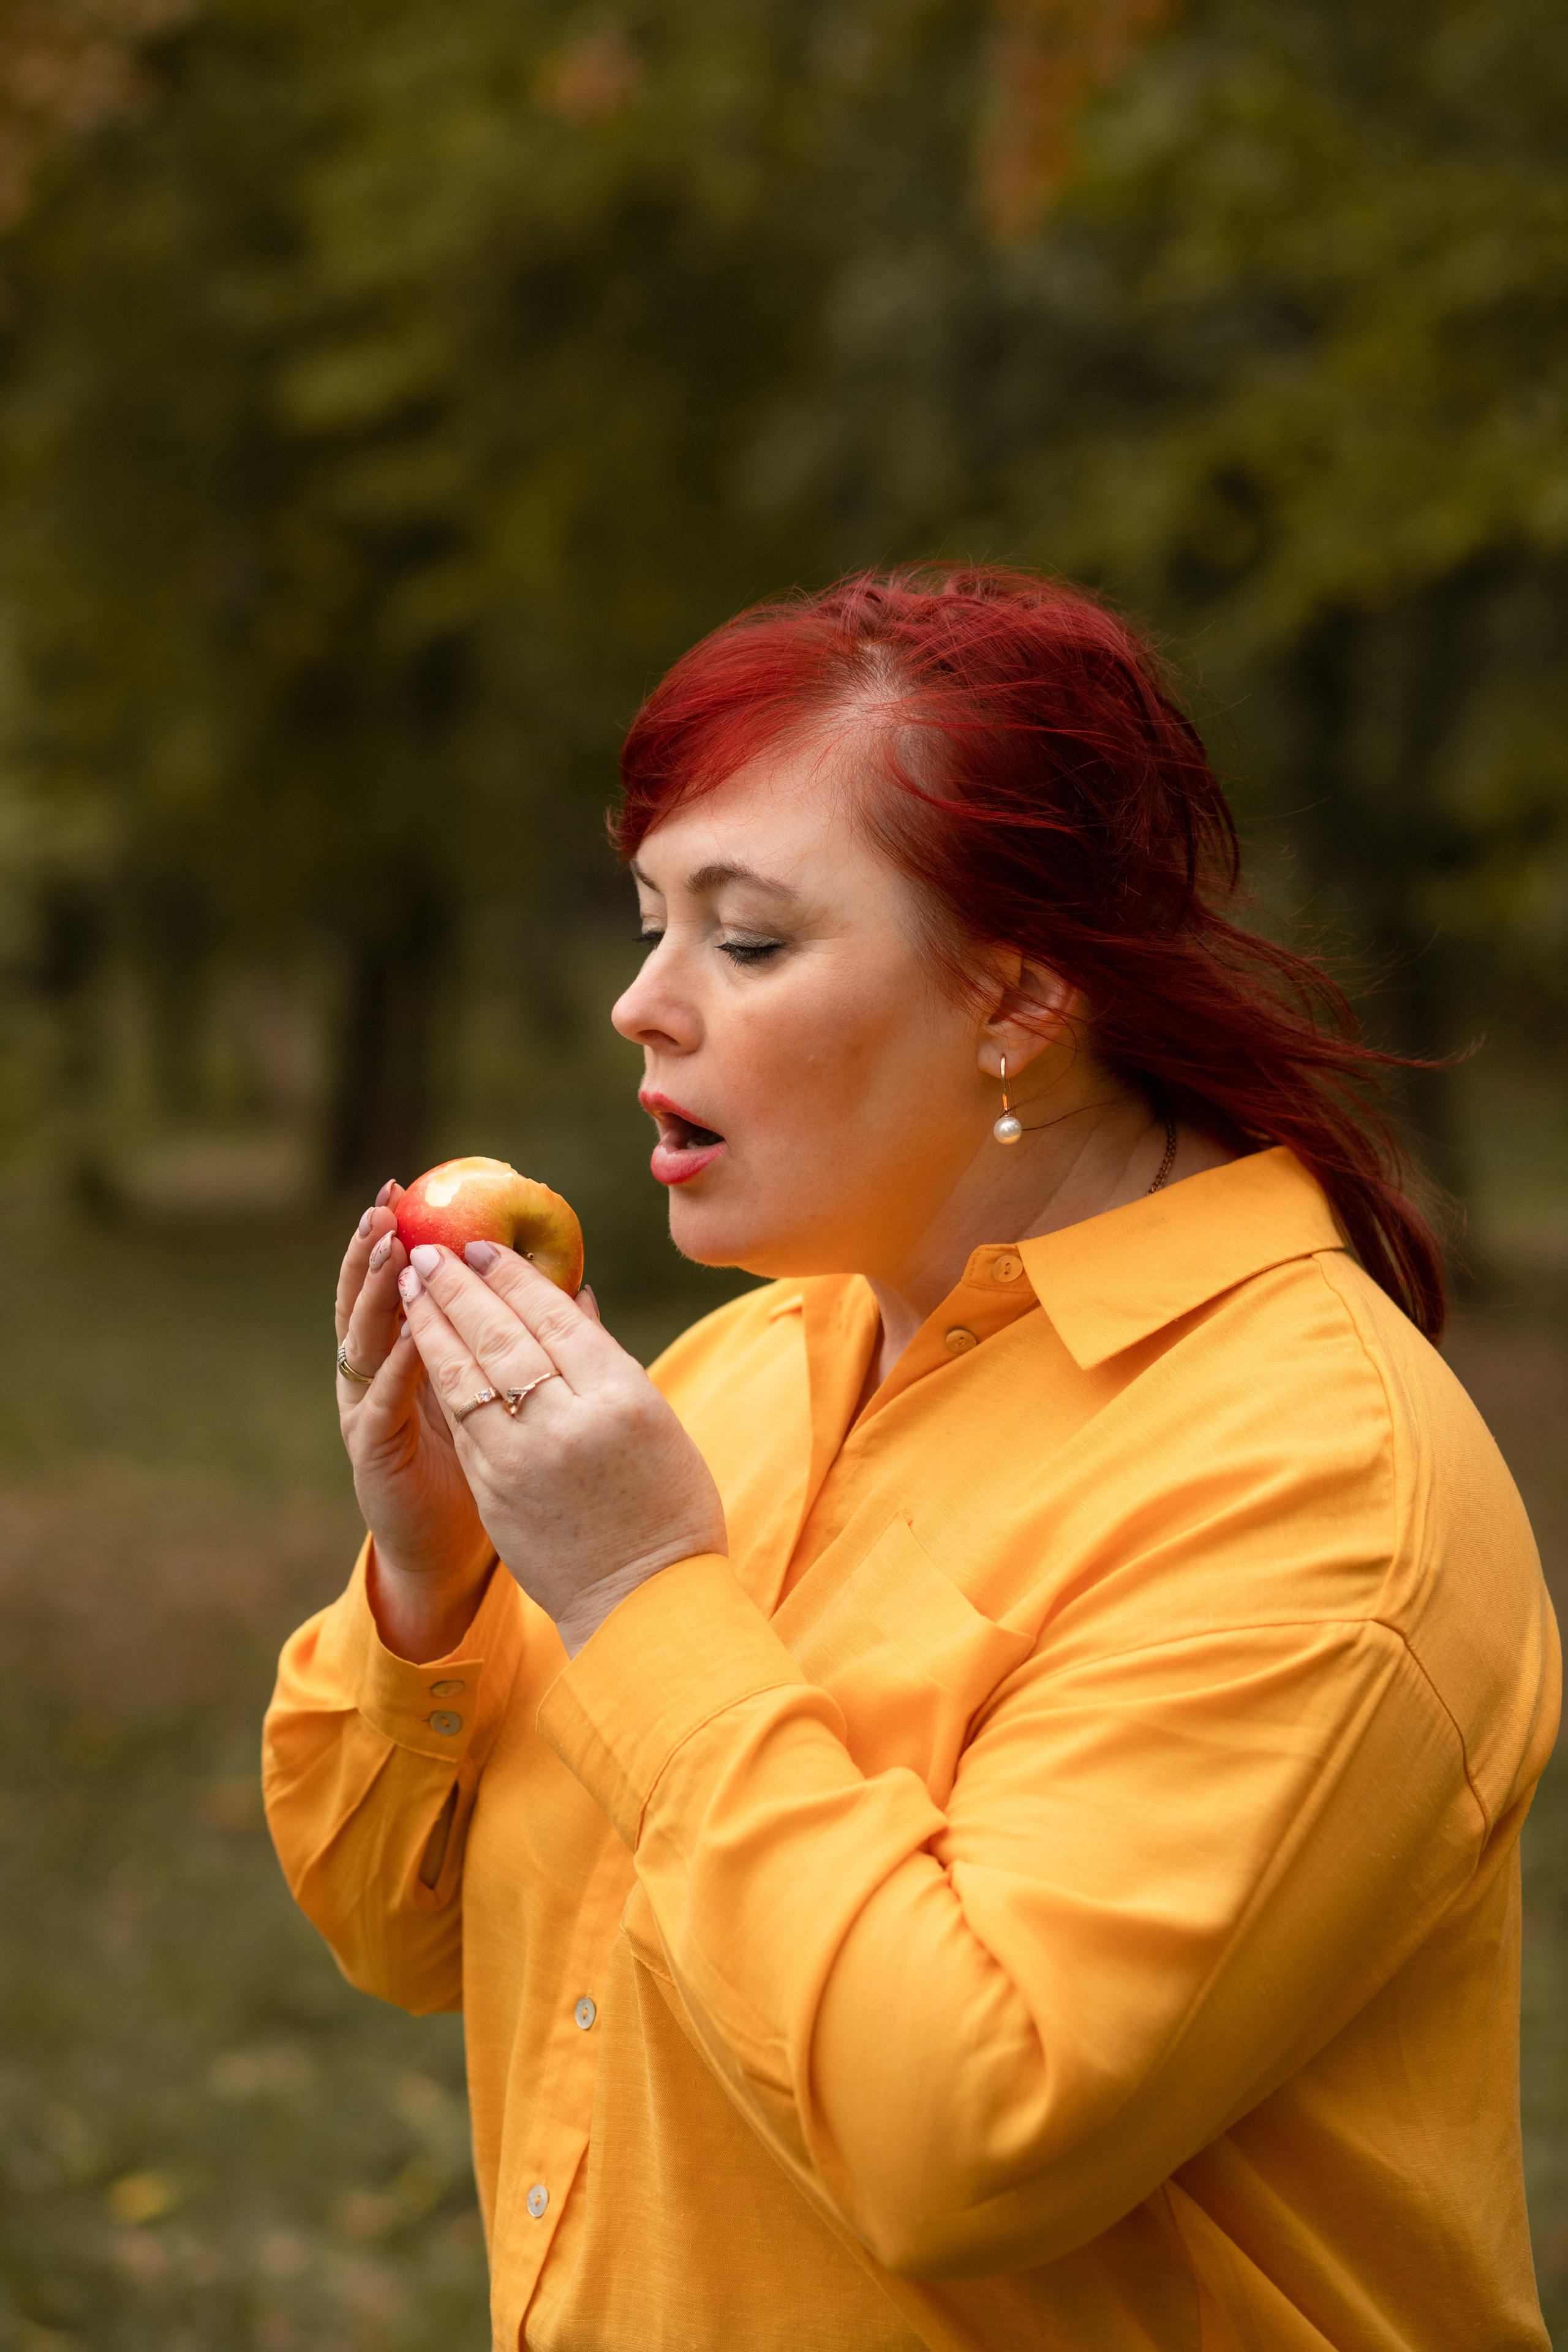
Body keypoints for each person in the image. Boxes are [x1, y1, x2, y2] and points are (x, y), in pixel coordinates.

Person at [265, 567, 1558, 2351]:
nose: (644, 1003)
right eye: (649, 919)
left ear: (1018, 997)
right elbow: (403, 1939)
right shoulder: (749, 1373)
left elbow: (967, 2141)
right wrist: (433, 1574)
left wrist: (644, 1593)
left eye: (747, 937)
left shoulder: (1315, 1480)